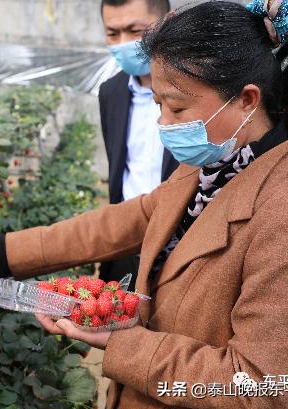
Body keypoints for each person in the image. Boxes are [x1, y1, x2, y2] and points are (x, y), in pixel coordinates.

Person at [0, 1, 288, 408]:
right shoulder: (215, 163)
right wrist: (2, 250)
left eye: (176, 108)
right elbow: (130, 219)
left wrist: (123, 343)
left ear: (246, 99)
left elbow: (262, 387)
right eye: (158, 105)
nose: (163, 125)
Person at [99, 0, 179, 288]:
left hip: (181, 247)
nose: (124, 43)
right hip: (127, 241)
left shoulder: (197, 90)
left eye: (136, 31)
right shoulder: (111, 93)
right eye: (112, 33)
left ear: (166, 23)